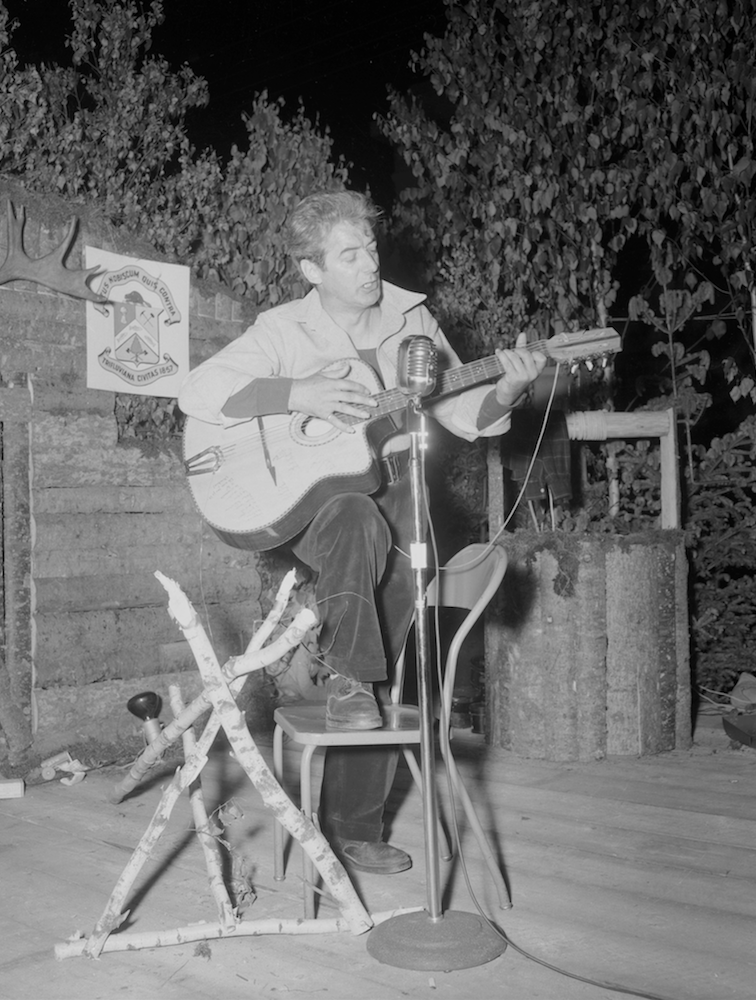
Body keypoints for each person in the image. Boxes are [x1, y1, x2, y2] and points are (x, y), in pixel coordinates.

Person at [178, 191, 546, 875]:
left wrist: (511, 388)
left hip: (403, 498)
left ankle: (354, 824)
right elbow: (197, 393)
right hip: (314, 506)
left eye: (370, 248)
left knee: (393, 653)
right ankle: (350, 682)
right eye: (350, 255)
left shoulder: (412, 317)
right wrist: (296, 394)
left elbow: (468, 413)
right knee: (350, 515)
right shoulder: (282, 328)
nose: (370, 263)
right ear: (310, 269)